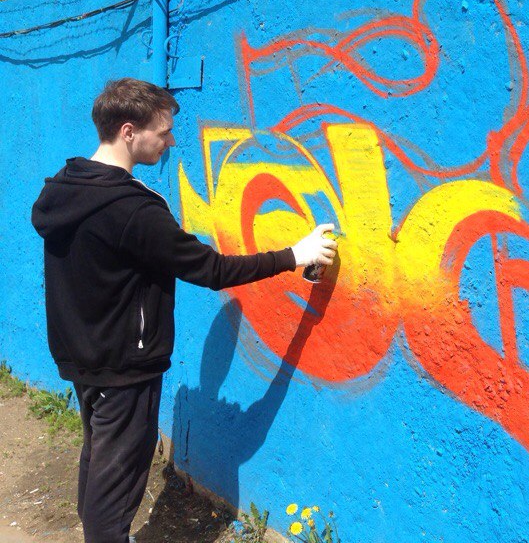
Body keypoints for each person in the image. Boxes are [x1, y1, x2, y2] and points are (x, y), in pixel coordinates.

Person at [31, 78, 337, 543]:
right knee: (114, 489)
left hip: (83, 358)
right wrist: (294, 255)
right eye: (164, 131)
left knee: (99, 463)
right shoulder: (131, 210)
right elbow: (211, 269)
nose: (172, 141)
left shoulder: (67, 186)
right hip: (123, 367)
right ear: (129, 131)